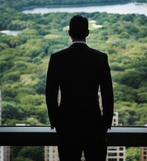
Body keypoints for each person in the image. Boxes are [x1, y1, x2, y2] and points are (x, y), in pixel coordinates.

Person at [46, 15, 114, 161]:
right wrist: (105, 124)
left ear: (69, 33)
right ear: (87, 33)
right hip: (94, 124)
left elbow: (50, 94)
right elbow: (107, 93)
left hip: (66, 125)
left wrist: (56, 122)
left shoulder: (57, 58)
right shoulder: (100, 58)